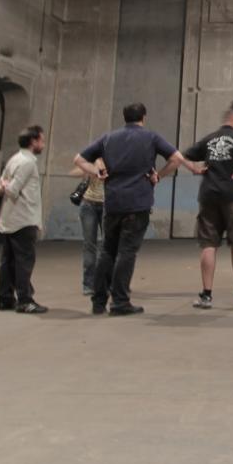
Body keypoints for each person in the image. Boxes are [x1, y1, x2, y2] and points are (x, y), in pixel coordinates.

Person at [75, 103, 190, 316]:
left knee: (107, 251)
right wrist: (159, 175)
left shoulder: (108, 138)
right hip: (137, 203)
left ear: (124, 117)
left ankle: (98, 302)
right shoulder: (151, 137)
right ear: (143, 117)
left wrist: (96, 172)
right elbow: (177, 158)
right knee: (126, 252)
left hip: (113, 203)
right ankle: (120, 302)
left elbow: (79, 159)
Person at [174, 98, 233, 309]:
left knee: (208, 245)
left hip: (209, 196)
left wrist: (193, 168)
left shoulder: (209, 139)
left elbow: (178, 156)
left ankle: (206, 295)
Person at [0, 125, 47, 314]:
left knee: (8, 261)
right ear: (33, 141)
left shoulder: (14, 159)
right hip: (23, 219)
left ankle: (5, 298)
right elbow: (12, 190)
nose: (43, 144)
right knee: (24, 261)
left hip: (11, 218)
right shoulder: (27, 163)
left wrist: (4, 185)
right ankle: (25, 300)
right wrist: (6, 186)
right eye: (41, 140)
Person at [71, 158, 107, 297]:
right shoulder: (92, 161)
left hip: (107, 205)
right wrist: (91, 168)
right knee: (89, 245)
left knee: (108, 246)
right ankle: (88, 284)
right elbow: (73, 172)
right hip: (88, 204)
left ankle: (107, 282)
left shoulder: (115, 160)